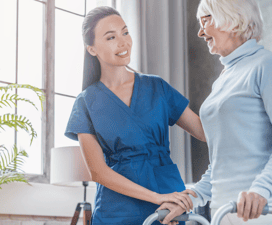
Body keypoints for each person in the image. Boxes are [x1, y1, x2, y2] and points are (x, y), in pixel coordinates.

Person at [160, 0, 272, 224]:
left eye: (205, 20)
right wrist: (193, 197)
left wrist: (260, 191)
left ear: (232, 18)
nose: (199, 32)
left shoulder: (268, 65)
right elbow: (221, 163)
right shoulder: (223, 80)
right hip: (222, 210)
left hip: (265, 209)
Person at [64, 6, 205, 225]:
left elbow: (204, 132)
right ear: (92, 49)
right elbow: (98, 172)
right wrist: (155, 197)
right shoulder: (85, 102)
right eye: (111, 37)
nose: (123, 42)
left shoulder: (157, 87)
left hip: (169, 206)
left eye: (125, 32)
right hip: (117, 209)